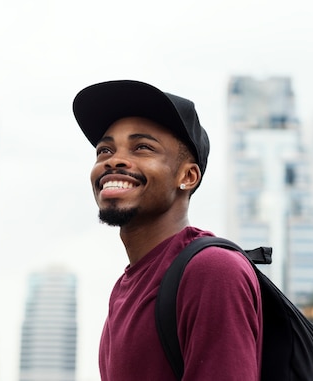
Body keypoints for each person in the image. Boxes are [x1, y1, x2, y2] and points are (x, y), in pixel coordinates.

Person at [72, 80, 263, 381]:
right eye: (105, 150)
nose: (114, 160)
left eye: (142, 148)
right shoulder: (125, 287)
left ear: (187, 176)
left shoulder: (212, 270)